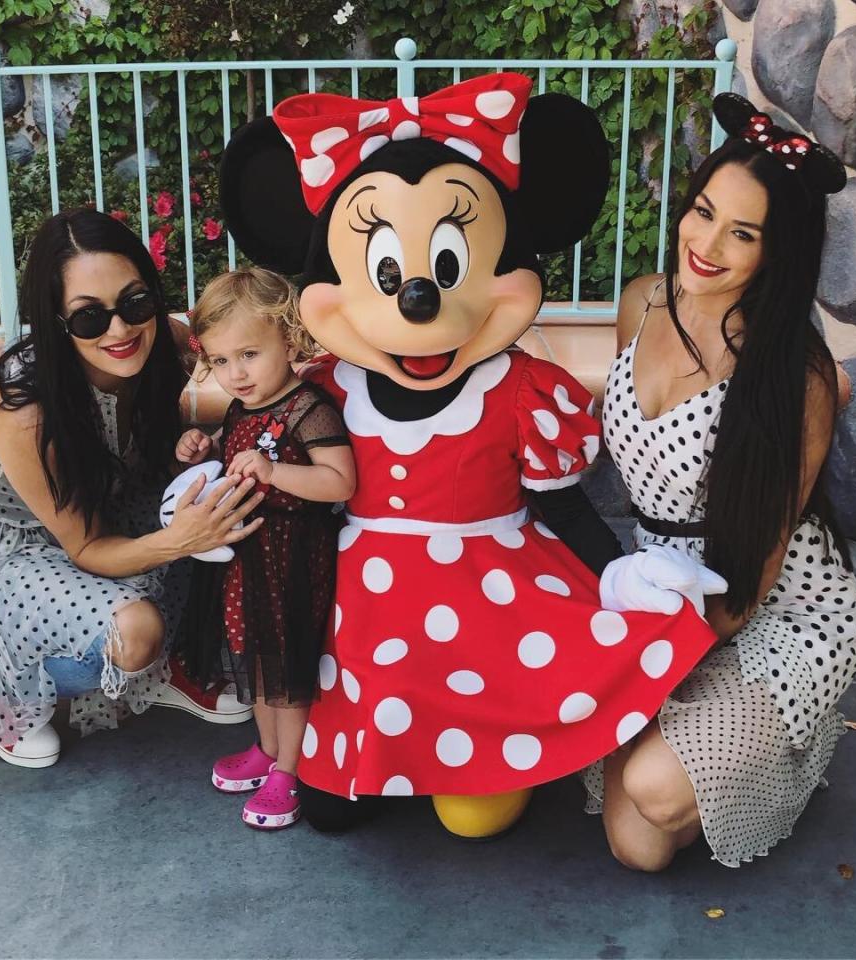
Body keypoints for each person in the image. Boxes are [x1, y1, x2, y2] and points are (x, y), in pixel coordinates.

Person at [217, 74, 724, 839]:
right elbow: (262, 435)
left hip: (491, 601)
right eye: (387, 275)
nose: (418, 301)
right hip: (358, 617)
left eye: (446, 266)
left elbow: (558, 501)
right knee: (329, 813)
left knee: (471, 818)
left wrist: (617, 571)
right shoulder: (324, 387)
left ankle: (477, 757)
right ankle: (371, 757)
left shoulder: (520, 390)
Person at [590, 93, 856, 869]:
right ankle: (716, 751)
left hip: (769, 609)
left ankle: (794, 745)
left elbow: (760, 567)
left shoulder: (795, 375)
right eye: (703, 212)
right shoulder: (641, 302)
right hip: (657, 590)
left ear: (774, 252)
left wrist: (644, 676)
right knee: (637, 844)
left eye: (741, 233)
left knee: (649, 794)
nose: (706, 244)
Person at [0, 209, 263, 768]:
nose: (120, 330)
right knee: (136, 628)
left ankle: (171, 668)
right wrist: (182, 539)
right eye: (89, 318)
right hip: (10, 547)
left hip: (106, 500)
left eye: (135, 303)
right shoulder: (24, 408)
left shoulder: (164, 341)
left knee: (222, 492)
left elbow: (259, 340)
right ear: (55, 322)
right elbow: (88, 548)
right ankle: (7, 688)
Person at [174, 267, 355, 830]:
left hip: (295, 557)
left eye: (249, 354)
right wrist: (202, 448)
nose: (236, 374)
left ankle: (290, 769)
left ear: (290, 337)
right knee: (253, 655)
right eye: (222, 361)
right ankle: (268, 749)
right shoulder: (240, 410)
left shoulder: (308, 408)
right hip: (250, 559)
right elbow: (237, 463)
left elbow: (340, 482)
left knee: (290, 664)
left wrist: (275, 471)